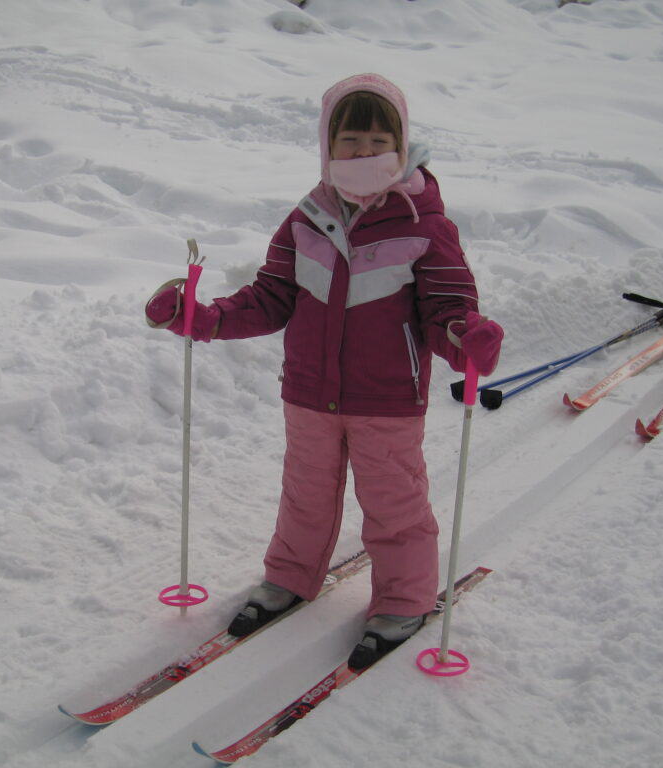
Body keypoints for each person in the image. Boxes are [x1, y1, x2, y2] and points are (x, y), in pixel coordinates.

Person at [145, 73, 503, 670]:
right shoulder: (306, 219)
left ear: (401, 144)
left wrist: (467, 339)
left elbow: (447, 310)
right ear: (327, 146)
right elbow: (268, 299)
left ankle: (405, 599)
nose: (364, 154)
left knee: (394, 504)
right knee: (304, 496)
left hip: (386, 399)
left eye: (377, 141)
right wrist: (202, 319)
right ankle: (289, 577)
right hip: (310, 394)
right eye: (350, 141)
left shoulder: (424, 225)